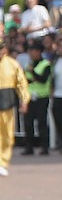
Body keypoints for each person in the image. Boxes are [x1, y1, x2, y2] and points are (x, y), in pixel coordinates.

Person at [0, 39, 30, 177]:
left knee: (7, 134)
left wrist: (24, 100)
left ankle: (3, 162)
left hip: (6, 102)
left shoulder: (12, 64)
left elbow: (21, 83)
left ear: (5, 50)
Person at [20, 43, 51, 156]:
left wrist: (33, 72)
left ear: (38, 52)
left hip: (42, 96)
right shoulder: (29, 64)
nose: (31, 54)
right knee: (28, 123)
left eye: (33, 51)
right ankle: (29, 147)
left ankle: (44, 147)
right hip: (30, 96)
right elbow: (26, 80)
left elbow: (42, 79)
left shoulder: (46, 64)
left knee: (41, 122)